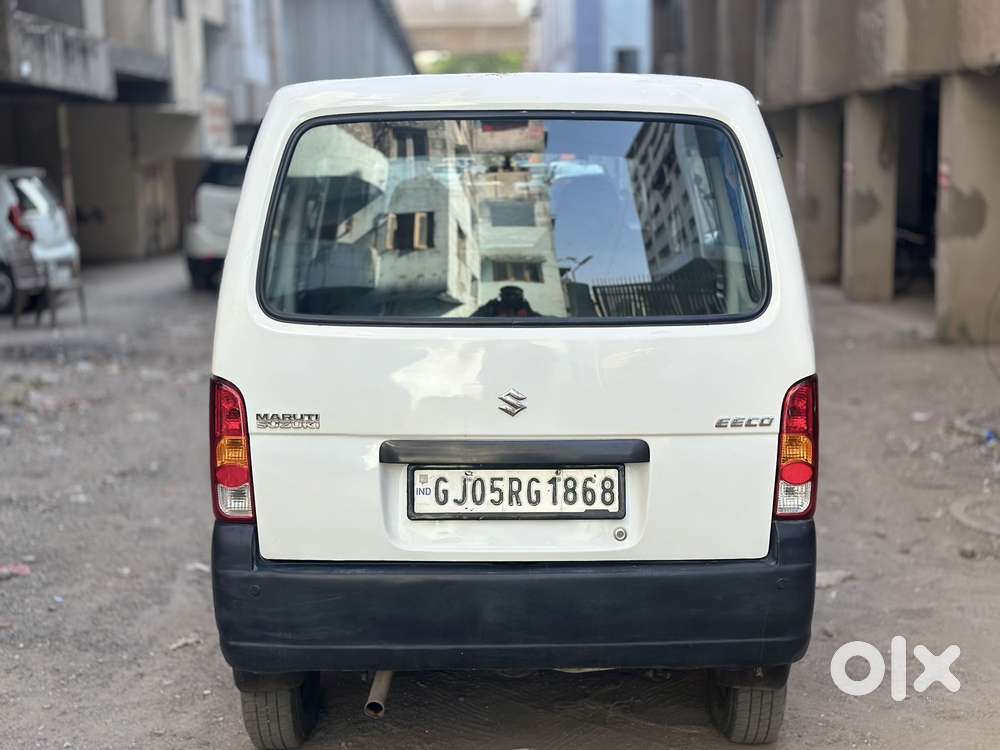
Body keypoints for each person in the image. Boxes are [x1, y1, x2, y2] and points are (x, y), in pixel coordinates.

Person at [472, 285, 541, 318]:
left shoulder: (530, 315)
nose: (511, 298)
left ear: (522, 299)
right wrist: (488, 307)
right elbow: (472, 321)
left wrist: (529, 313)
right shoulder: (491, 310)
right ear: (501, 297)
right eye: (507, 295)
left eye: (514, 296)